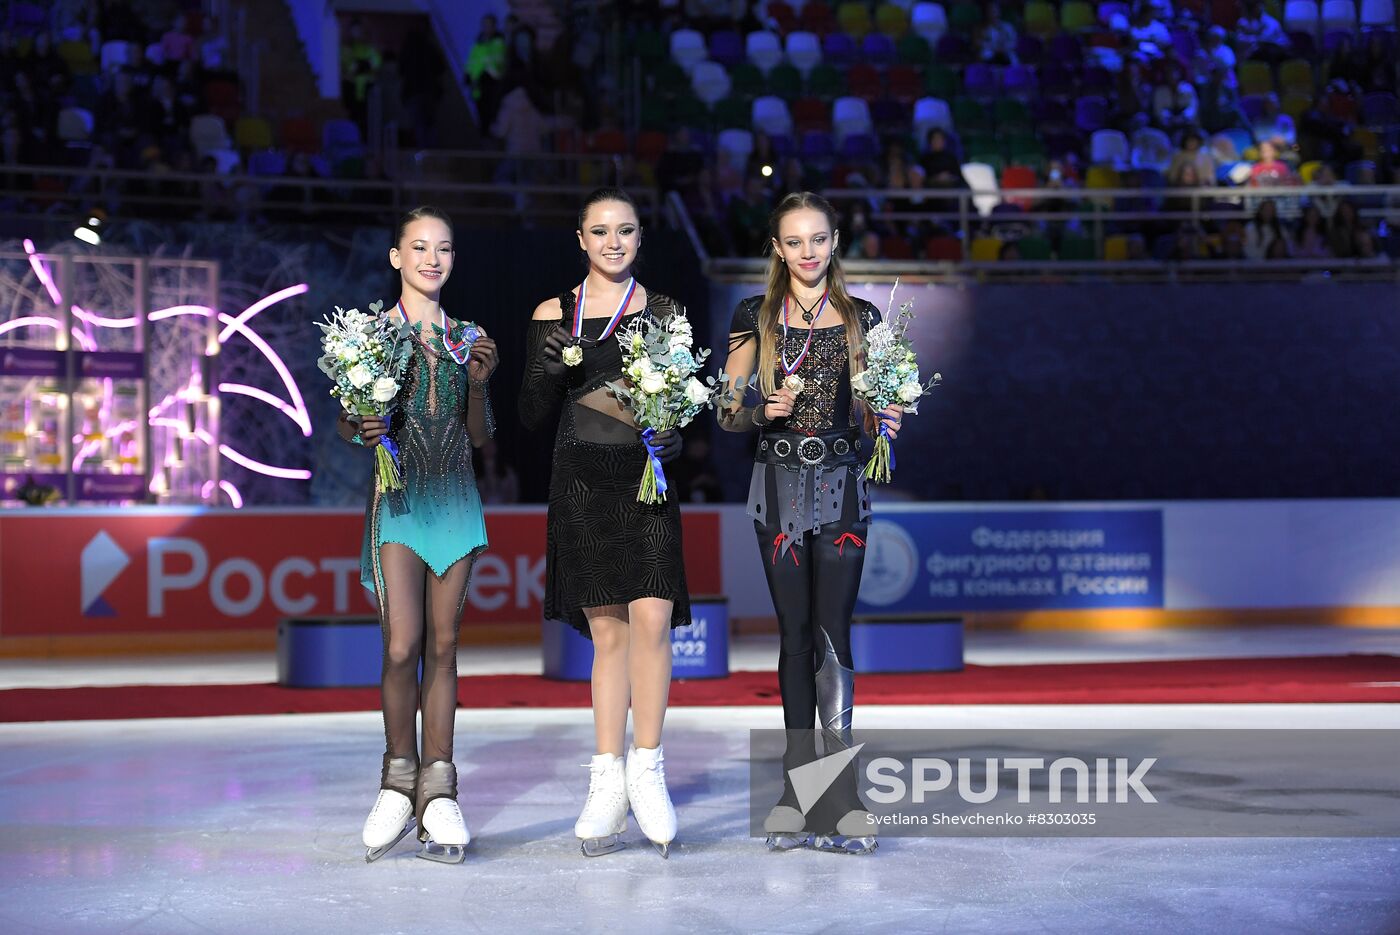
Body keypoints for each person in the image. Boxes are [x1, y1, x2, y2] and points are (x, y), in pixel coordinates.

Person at [717, 191, 905, 855]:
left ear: (833, 243)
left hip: (841, 486)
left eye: (818, 239)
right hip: (777, 487)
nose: (807, 252)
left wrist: (886, 416)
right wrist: (756, 412)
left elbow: (868, 411)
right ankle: (800, 791)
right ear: (777, 247)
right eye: (794, 241)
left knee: (833, 633)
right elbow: (726, 413)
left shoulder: (861, 318)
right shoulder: (755, 317)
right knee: (794, 635)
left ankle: (842, 794)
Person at [518, 188, 688, 858]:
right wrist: (546, 360)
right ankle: (606, 778)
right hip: (582, 485)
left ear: (640, 237)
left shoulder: (668, 312)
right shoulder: (553, 312)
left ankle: (648, 769)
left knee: (652, 617)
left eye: (625, 231)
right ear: (580, 239)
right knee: (609, 632)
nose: (613, 242)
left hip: (646, 484)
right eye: (600, 231)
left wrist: (673, 435)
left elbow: (680, 402)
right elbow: (531, 416)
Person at [340, 206, 500, 864]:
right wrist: (364, 425)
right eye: (419, 247)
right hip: (399, 500)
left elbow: (481, 434)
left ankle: (440, 785)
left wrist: (481, 384)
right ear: (396, 257)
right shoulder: (371, 333)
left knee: (444, 642)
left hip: (455, 498)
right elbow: (352, 425)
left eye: (444, 248)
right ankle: (397, 776)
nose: (432, 258)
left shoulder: (469, 336)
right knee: (402, 644)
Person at [465, 14, 506, 132]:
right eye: (484, 24)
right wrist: (468, 76)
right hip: (477, 87)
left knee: (491, 118)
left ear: (494, 26)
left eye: (489, 24)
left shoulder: (498, 43)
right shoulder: (478, 43)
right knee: (481, 119)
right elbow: (471, 62)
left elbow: (497, 64)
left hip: (491, 86)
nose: (486, 27)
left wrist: (486, 75)